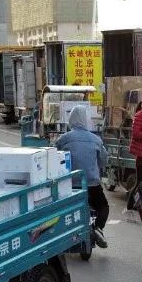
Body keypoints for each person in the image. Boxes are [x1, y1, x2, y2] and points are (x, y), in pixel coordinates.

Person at [56, 106, 109, 248]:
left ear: (71, 119)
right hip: (92, 185)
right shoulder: (96, 139)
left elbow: (55, 157)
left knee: (62, 211)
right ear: (86, 120)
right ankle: (98, 228)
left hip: (70, 186)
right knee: (103, 207)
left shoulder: (63, 139)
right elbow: (104, 160)